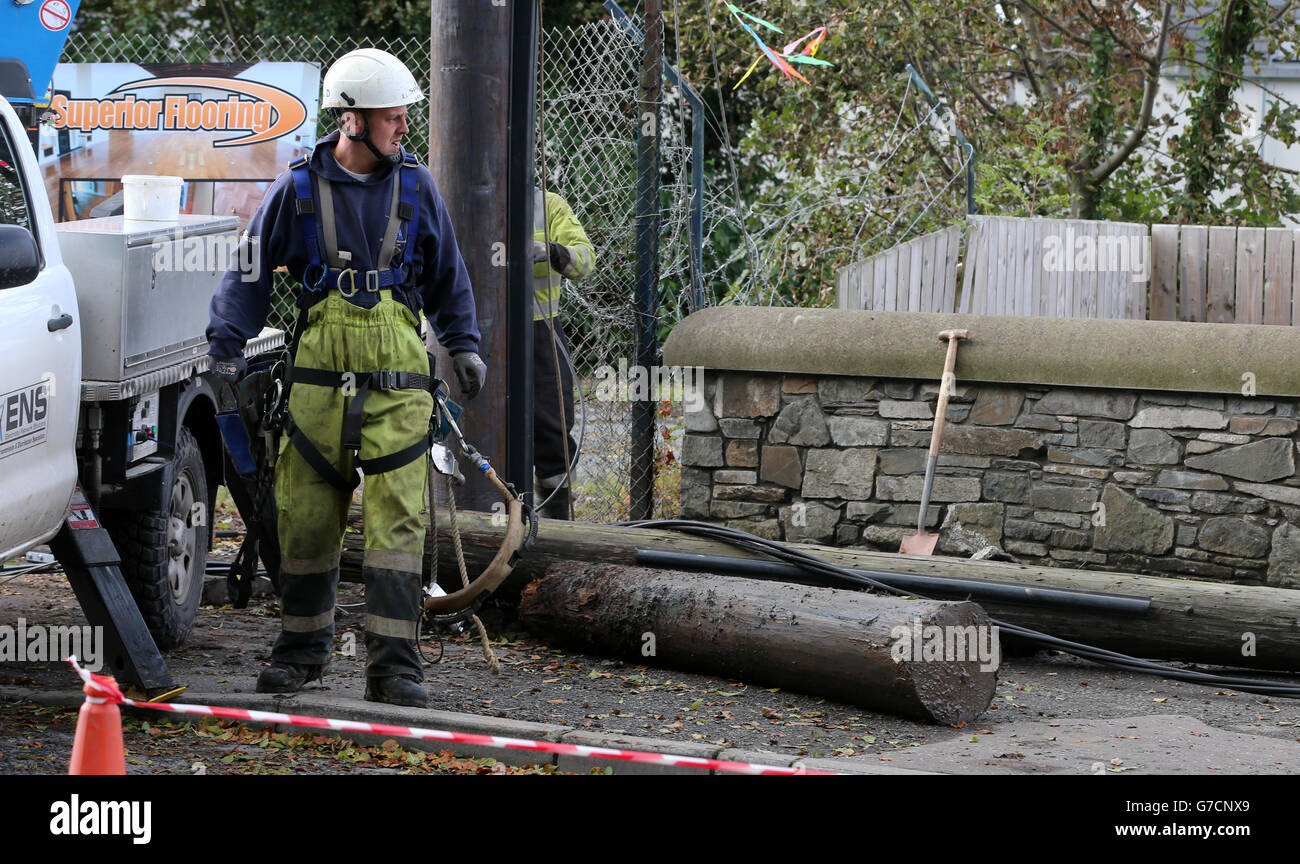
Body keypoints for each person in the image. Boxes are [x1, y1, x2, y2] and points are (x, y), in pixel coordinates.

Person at [206, 49, 487, 708]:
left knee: (398, 524)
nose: (403, 128)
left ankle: (394, 666)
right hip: (314, 385)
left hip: (399, 386)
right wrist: (225, 346)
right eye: (393, 118)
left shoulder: (417, 189)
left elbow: (449, 275)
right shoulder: (298, 188)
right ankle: (300, 654)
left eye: (403, 117)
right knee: (304, 519)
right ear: (352, 122)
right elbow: (248, 271)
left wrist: (464, 345)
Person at [531, 187, 595, 519]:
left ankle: (556, 530)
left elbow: (584, 259)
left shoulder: (550, 204)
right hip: (479, 333)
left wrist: (549, 251)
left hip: (540, 334)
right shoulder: (465, 195)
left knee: (553, 432)